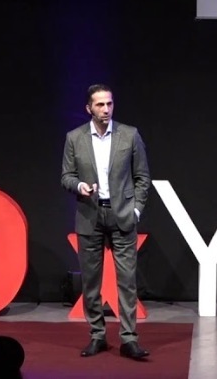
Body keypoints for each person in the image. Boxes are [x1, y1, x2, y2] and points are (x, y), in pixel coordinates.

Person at [60, 84, 151, 360]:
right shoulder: (75, 138)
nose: (106, 109)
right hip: (90, 215)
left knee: (127, 281)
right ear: (89, 108)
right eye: (100, 104)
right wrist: (80, 187)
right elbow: (66, 176)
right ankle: (97, 335)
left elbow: (142, 177)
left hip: (122, 214)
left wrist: (136, 211)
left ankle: (129, 339)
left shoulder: (129, 135)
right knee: (91, 283)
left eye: (109, 103)